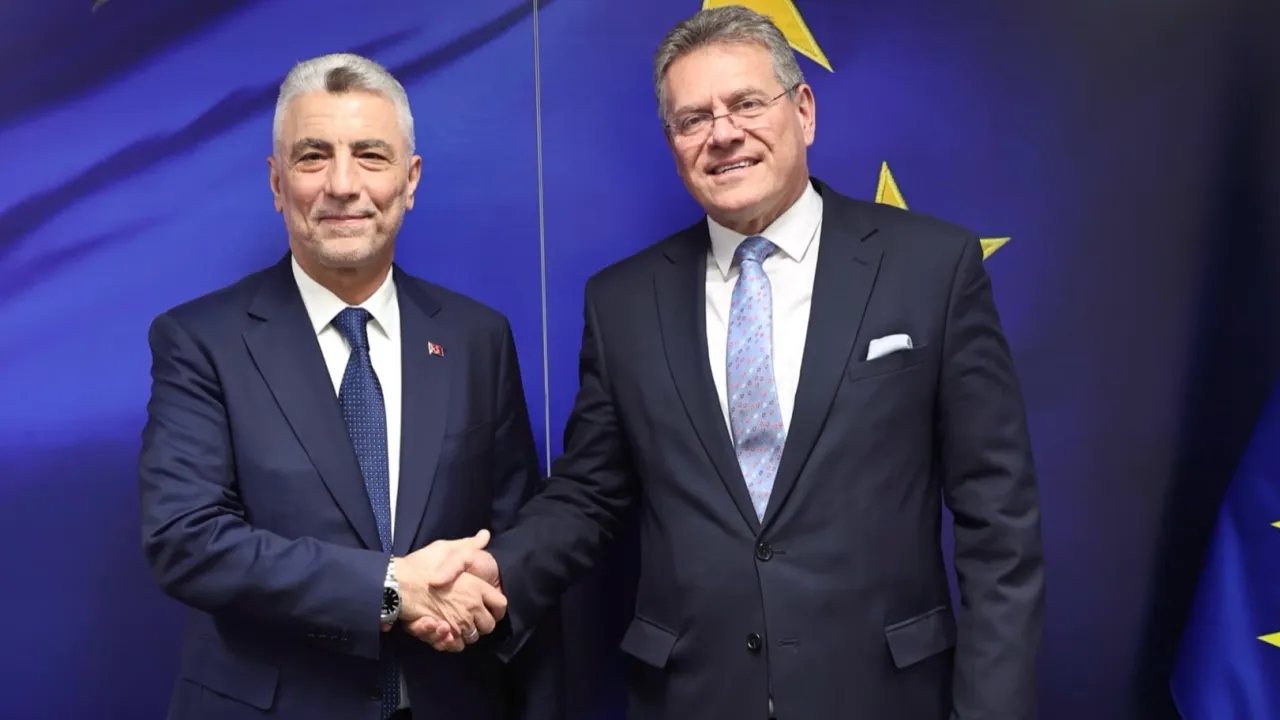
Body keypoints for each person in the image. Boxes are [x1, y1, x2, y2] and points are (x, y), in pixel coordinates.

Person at [416, 6, 1045, 720]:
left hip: (884, 693)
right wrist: (495, 572)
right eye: (693, 119)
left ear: (803, 111)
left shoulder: (931, 267)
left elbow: (999, 523)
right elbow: (591, 493)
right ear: (673, 142)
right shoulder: (622, 302)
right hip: (693, 696)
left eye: (746, 104)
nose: (723, 134)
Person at [137, 52, 564, 720]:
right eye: (313, 157)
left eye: (370, 155)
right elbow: (186, 541)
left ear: (409, 180)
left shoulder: (477, 337)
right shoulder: (200, 340)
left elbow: (512, 533)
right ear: (277, 183)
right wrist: (389, 591)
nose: (342, 184)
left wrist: (479, 596)